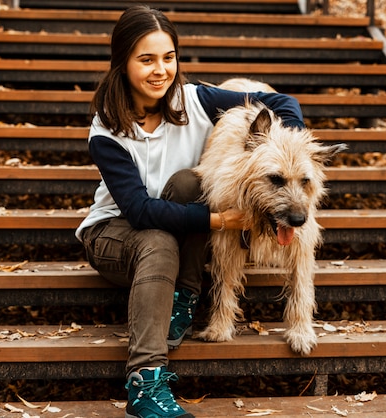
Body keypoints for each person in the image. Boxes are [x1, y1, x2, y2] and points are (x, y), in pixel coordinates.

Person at [75, 5, 305, 418]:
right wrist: (218, 221)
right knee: (158, 240)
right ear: (122, 62)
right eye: (146, 59)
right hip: (114, 233)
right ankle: (146, 381)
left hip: (174, 223)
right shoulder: (106, 129)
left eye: (168, 57)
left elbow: (281, 100)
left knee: (192, 182)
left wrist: (283, 145)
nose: (160, 70)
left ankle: (183, 297)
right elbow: (141, 212)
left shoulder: (195, 99)